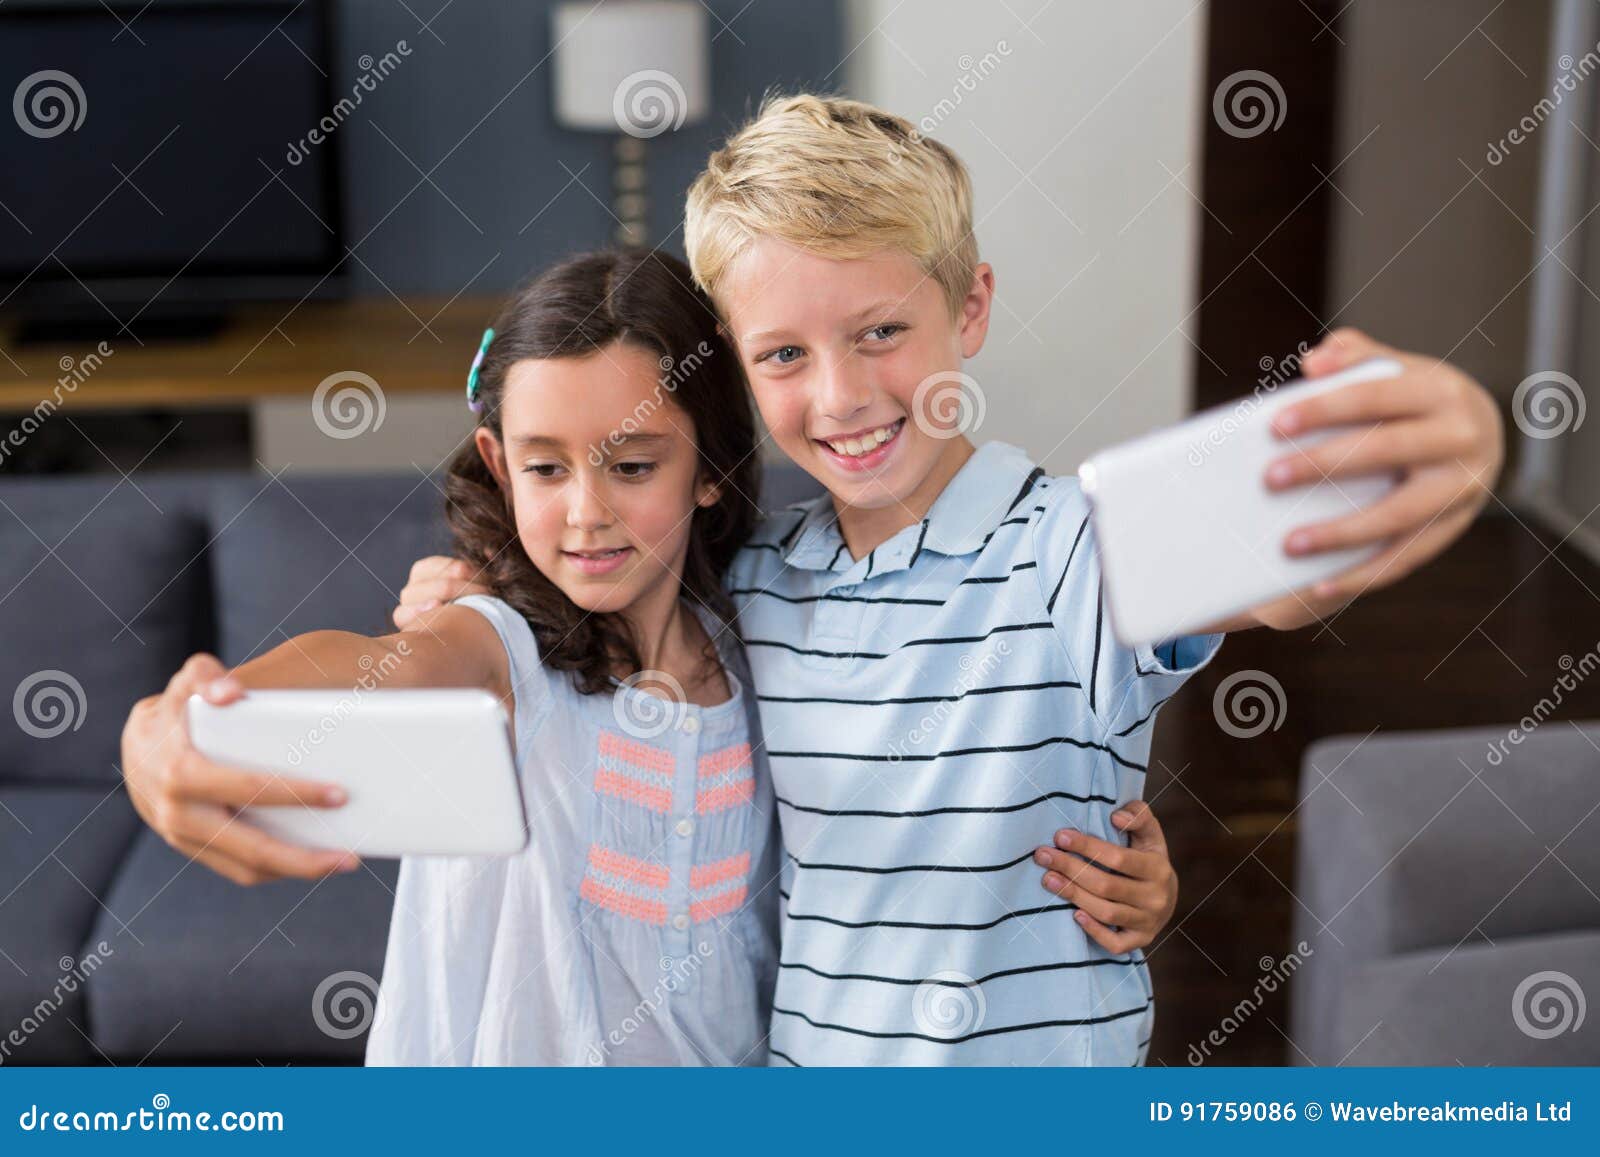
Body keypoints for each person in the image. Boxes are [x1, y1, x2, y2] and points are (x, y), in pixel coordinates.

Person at [391, 95, 1503, 1064]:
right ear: (730, 364)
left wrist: (1437, 449)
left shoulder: (1072, 547)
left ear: (968, 307)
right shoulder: (756, 583)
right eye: (783, 354)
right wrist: (472, 590)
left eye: (882, 331)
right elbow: (598, 594)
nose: (840, 396)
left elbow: (1279, 578)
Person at [119, 248, 1186, 1064]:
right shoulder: (499, 639)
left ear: (712, 467)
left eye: (632, 464)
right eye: (544, 468)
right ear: (498, 464)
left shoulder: (770, 643)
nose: (585, 513)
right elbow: (373, 663)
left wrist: (1124, 869)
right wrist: (185, 723)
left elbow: (924, 792)